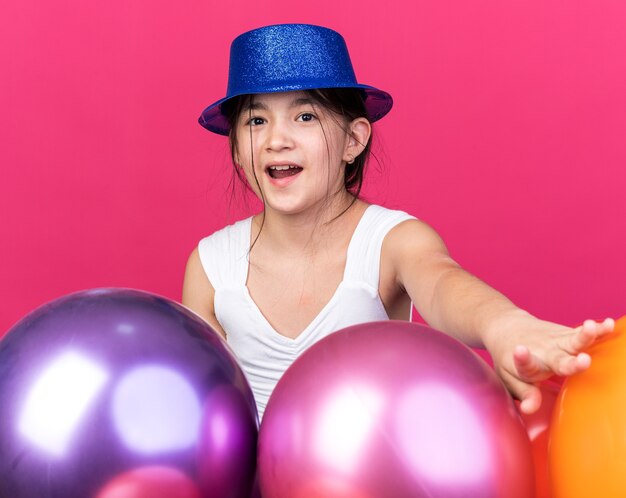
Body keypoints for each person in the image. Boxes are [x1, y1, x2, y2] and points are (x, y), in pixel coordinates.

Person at [182, 23, 613, 420]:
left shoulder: (392, 242)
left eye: (306, 116)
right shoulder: (211, 265)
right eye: (257, 121)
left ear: (353, 139)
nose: (277, 140)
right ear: (237, 149)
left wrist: (504, 325)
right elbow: (196, 403)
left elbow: (443, 282)